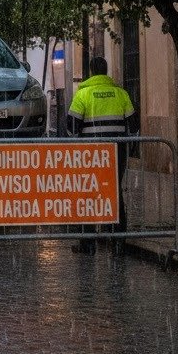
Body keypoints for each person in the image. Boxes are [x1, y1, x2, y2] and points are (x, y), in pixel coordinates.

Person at [67, 55, 139, 252]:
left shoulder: (83, 95)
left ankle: (88, 243)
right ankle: (118, 242)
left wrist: (77, 141)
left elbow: (72, 126)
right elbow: (134, 125)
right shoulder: (121, 93)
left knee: (89, 194)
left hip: (91, 152)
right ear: (106, 71)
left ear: (91, 71)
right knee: (114, 192)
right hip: (117, 150)